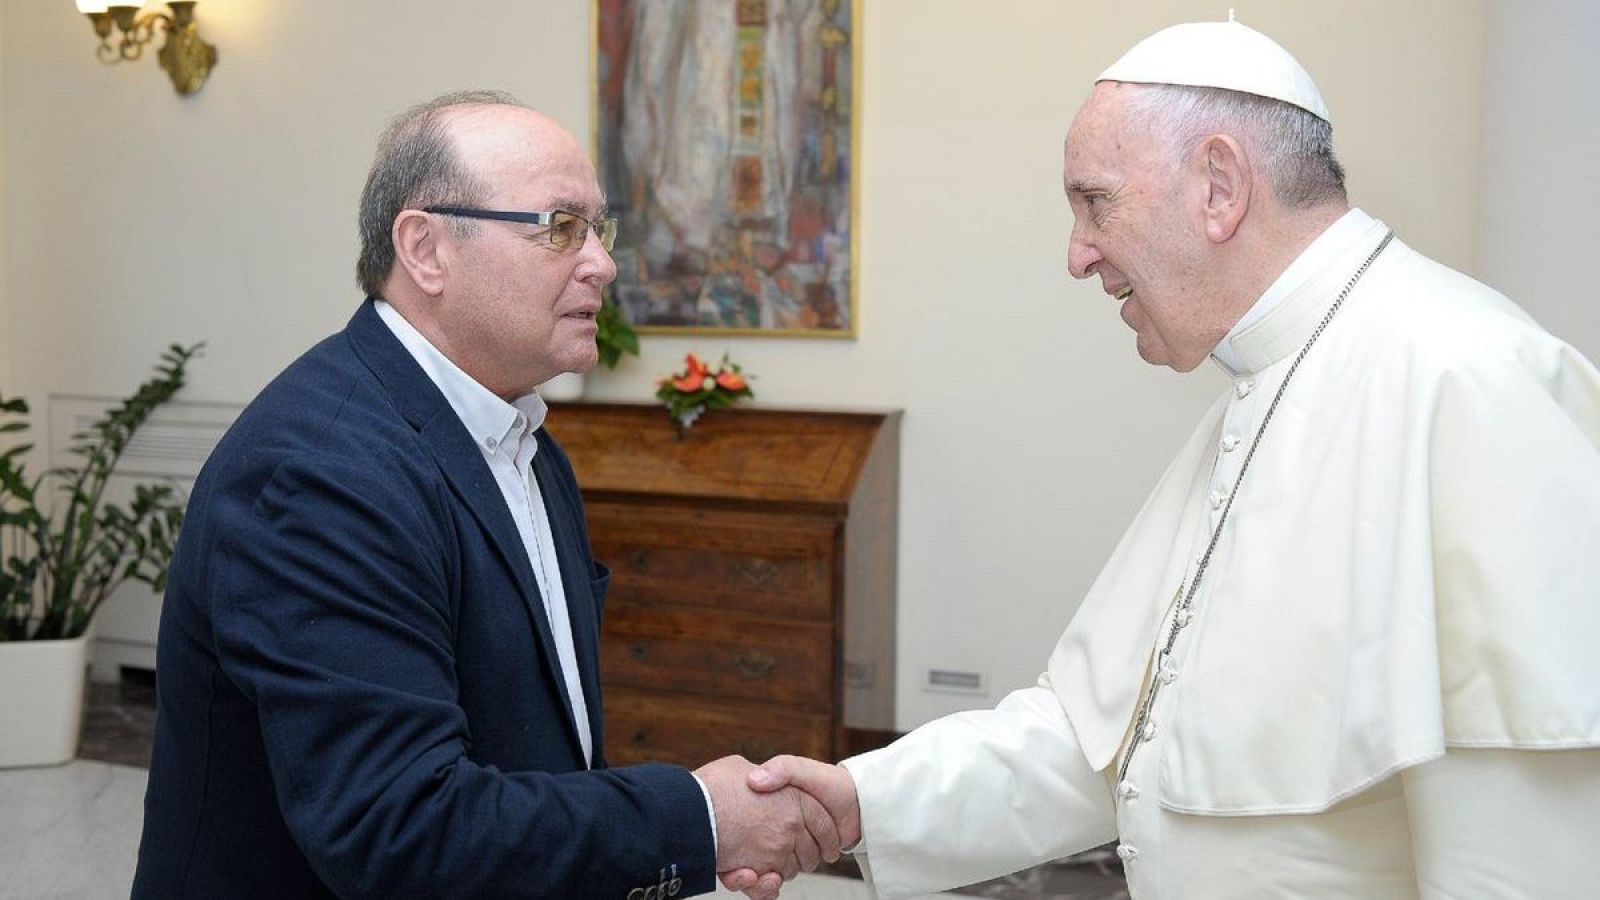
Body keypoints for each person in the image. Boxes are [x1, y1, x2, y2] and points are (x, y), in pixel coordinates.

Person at [739, 20, 1600, 900]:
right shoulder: (1263, 385)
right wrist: (860, 802)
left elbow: (1525, 863)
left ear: (1219, 186)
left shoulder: (1472, 383)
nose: (1077, 253)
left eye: (1095, 202)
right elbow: (1099, 742)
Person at [132, 91, 840, 900]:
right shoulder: (320, 472)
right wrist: (700, 820)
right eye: (560, 227)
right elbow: (401, 830)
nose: (602, 263)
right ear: (426, 249)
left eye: (598, 229)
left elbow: (539, 749)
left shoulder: (523, 441)